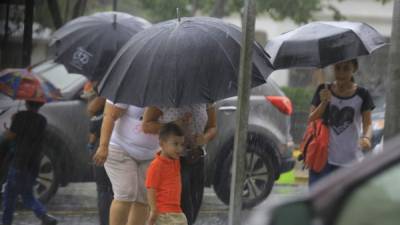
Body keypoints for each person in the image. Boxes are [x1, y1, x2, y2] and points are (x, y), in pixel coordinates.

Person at [142, 104, 217, 225]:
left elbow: (213, 127)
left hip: (197, 158)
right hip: (175, 160)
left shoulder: (205, 94)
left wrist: (205, 138)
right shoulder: (165, 95)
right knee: (184, 208)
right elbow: (146, 125)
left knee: (193, 207)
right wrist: (173, 126)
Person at [308, 59, 375, 186]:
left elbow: (368, 124)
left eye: (346, 68)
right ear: (333, 68)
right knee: (319, 203)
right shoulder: (323, 89)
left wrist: (366, 137)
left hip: (351, 161)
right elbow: (311, 119)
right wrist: (324, 103)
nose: (341, 73)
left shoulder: (363, 94)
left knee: (345, 204)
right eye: (338, 68)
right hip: (322, 160)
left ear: (354, 69)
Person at [93, 100, 159, 225]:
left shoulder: (170, 93)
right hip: (121, 148)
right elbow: (110, 116)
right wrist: (103, 146)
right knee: (126, 193)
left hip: (151, 154)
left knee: (143, 198)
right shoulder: (129, 89)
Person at [1, 101, 58, 225]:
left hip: (19, 162)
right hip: (34, 163)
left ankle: (43, 215)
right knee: (25, 193)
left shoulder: (20, 117)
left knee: (12, 196)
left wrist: (11, 124)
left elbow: (11, 136)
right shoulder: (42, 120)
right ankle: (44, 216)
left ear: (26, 103)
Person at [146, 122, 187, 225]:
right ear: (162, 144)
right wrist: (154, 210)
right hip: (163, 214)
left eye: (181, 144)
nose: (179, 149)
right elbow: (151, 188)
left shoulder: (175, 160)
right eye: (175, 144)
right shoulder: (156, 165)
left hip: (177, 211)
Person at [84, 86, 113, 225]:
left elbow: (92, 136)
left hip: (101, 152)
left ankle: (105, 221)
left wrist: (91, 147)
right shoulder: (113, 112)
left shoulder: (98, 117)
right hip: (113, 150)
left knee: (102, 190)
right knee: (114, 191)